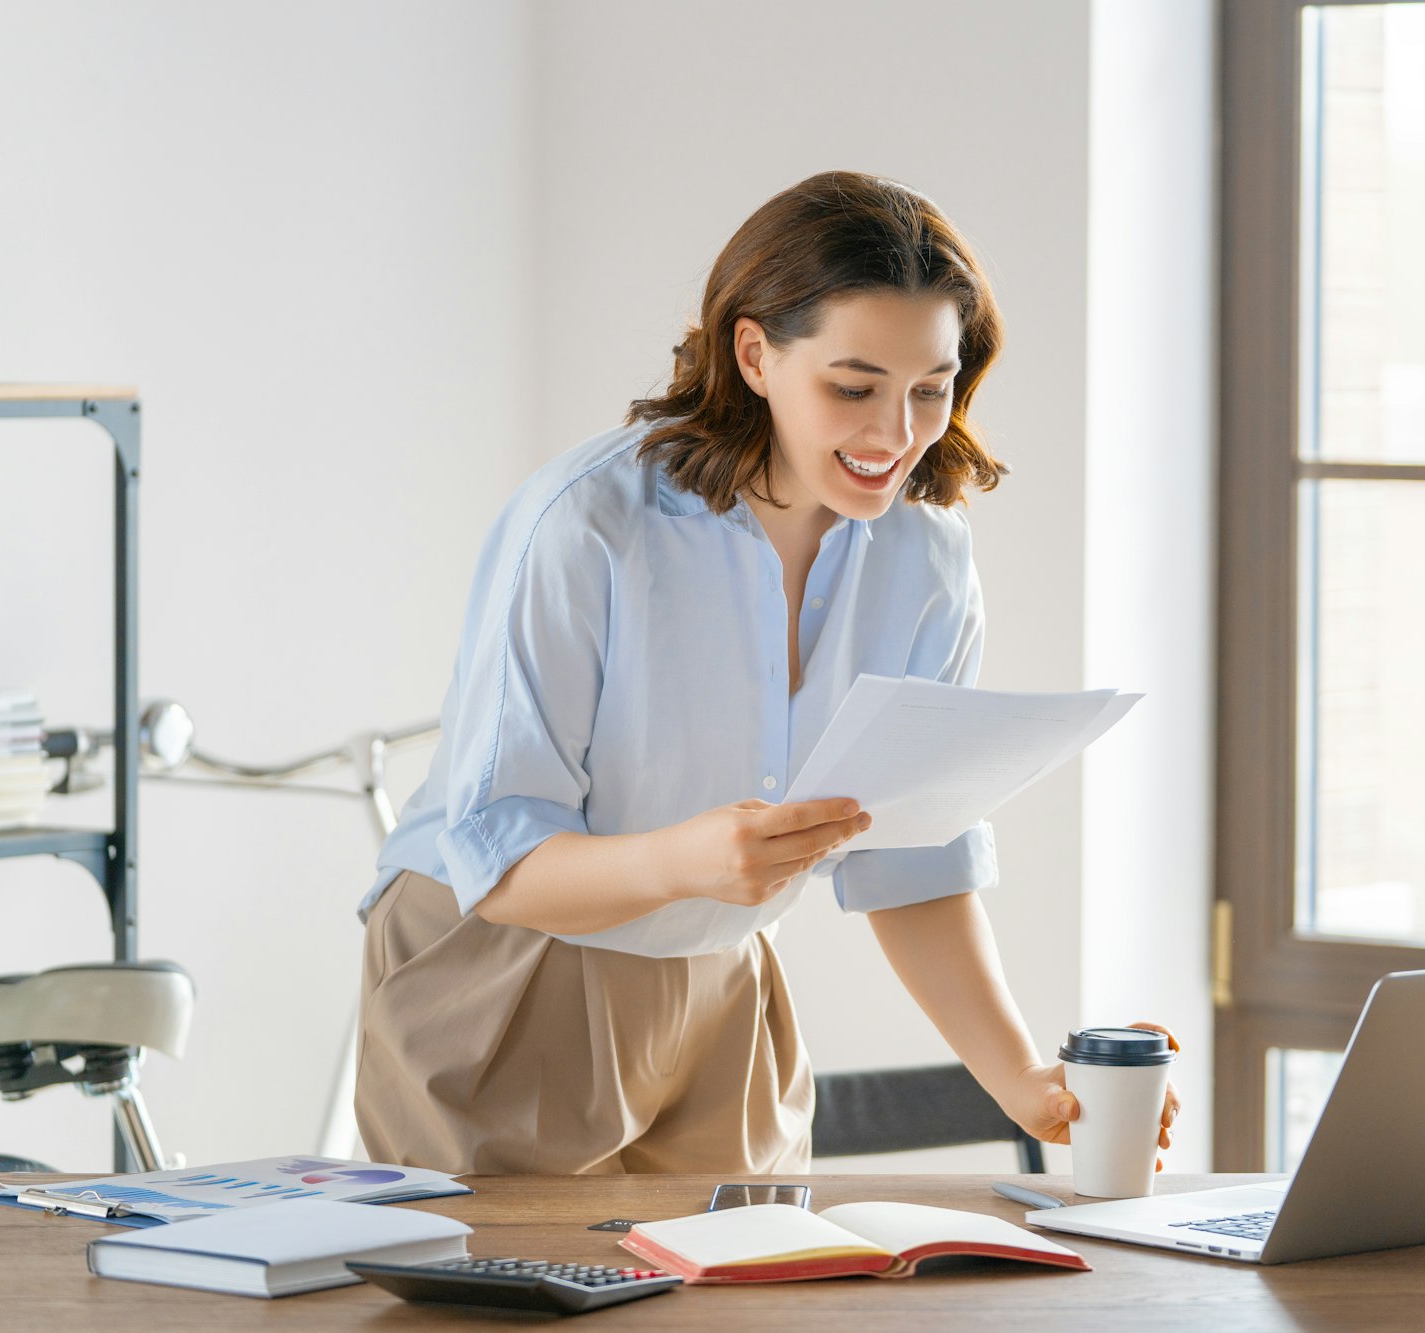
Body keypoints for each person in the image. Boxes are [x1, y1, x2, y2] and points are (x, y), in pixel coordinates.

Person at [354, 170, 1179, 1176]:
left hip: (719, 976)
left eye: (930, 388)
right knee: (516, 1301)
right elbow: (497, 853)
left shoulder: (924, 553)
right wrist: (686, 862)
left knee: (751, 1291)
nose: (895, 434)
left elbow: (910, 860)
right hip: (502, 968)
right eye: (852, 385)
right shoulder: (585, 524)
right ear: (754, 353)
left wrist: (1024, 1083)